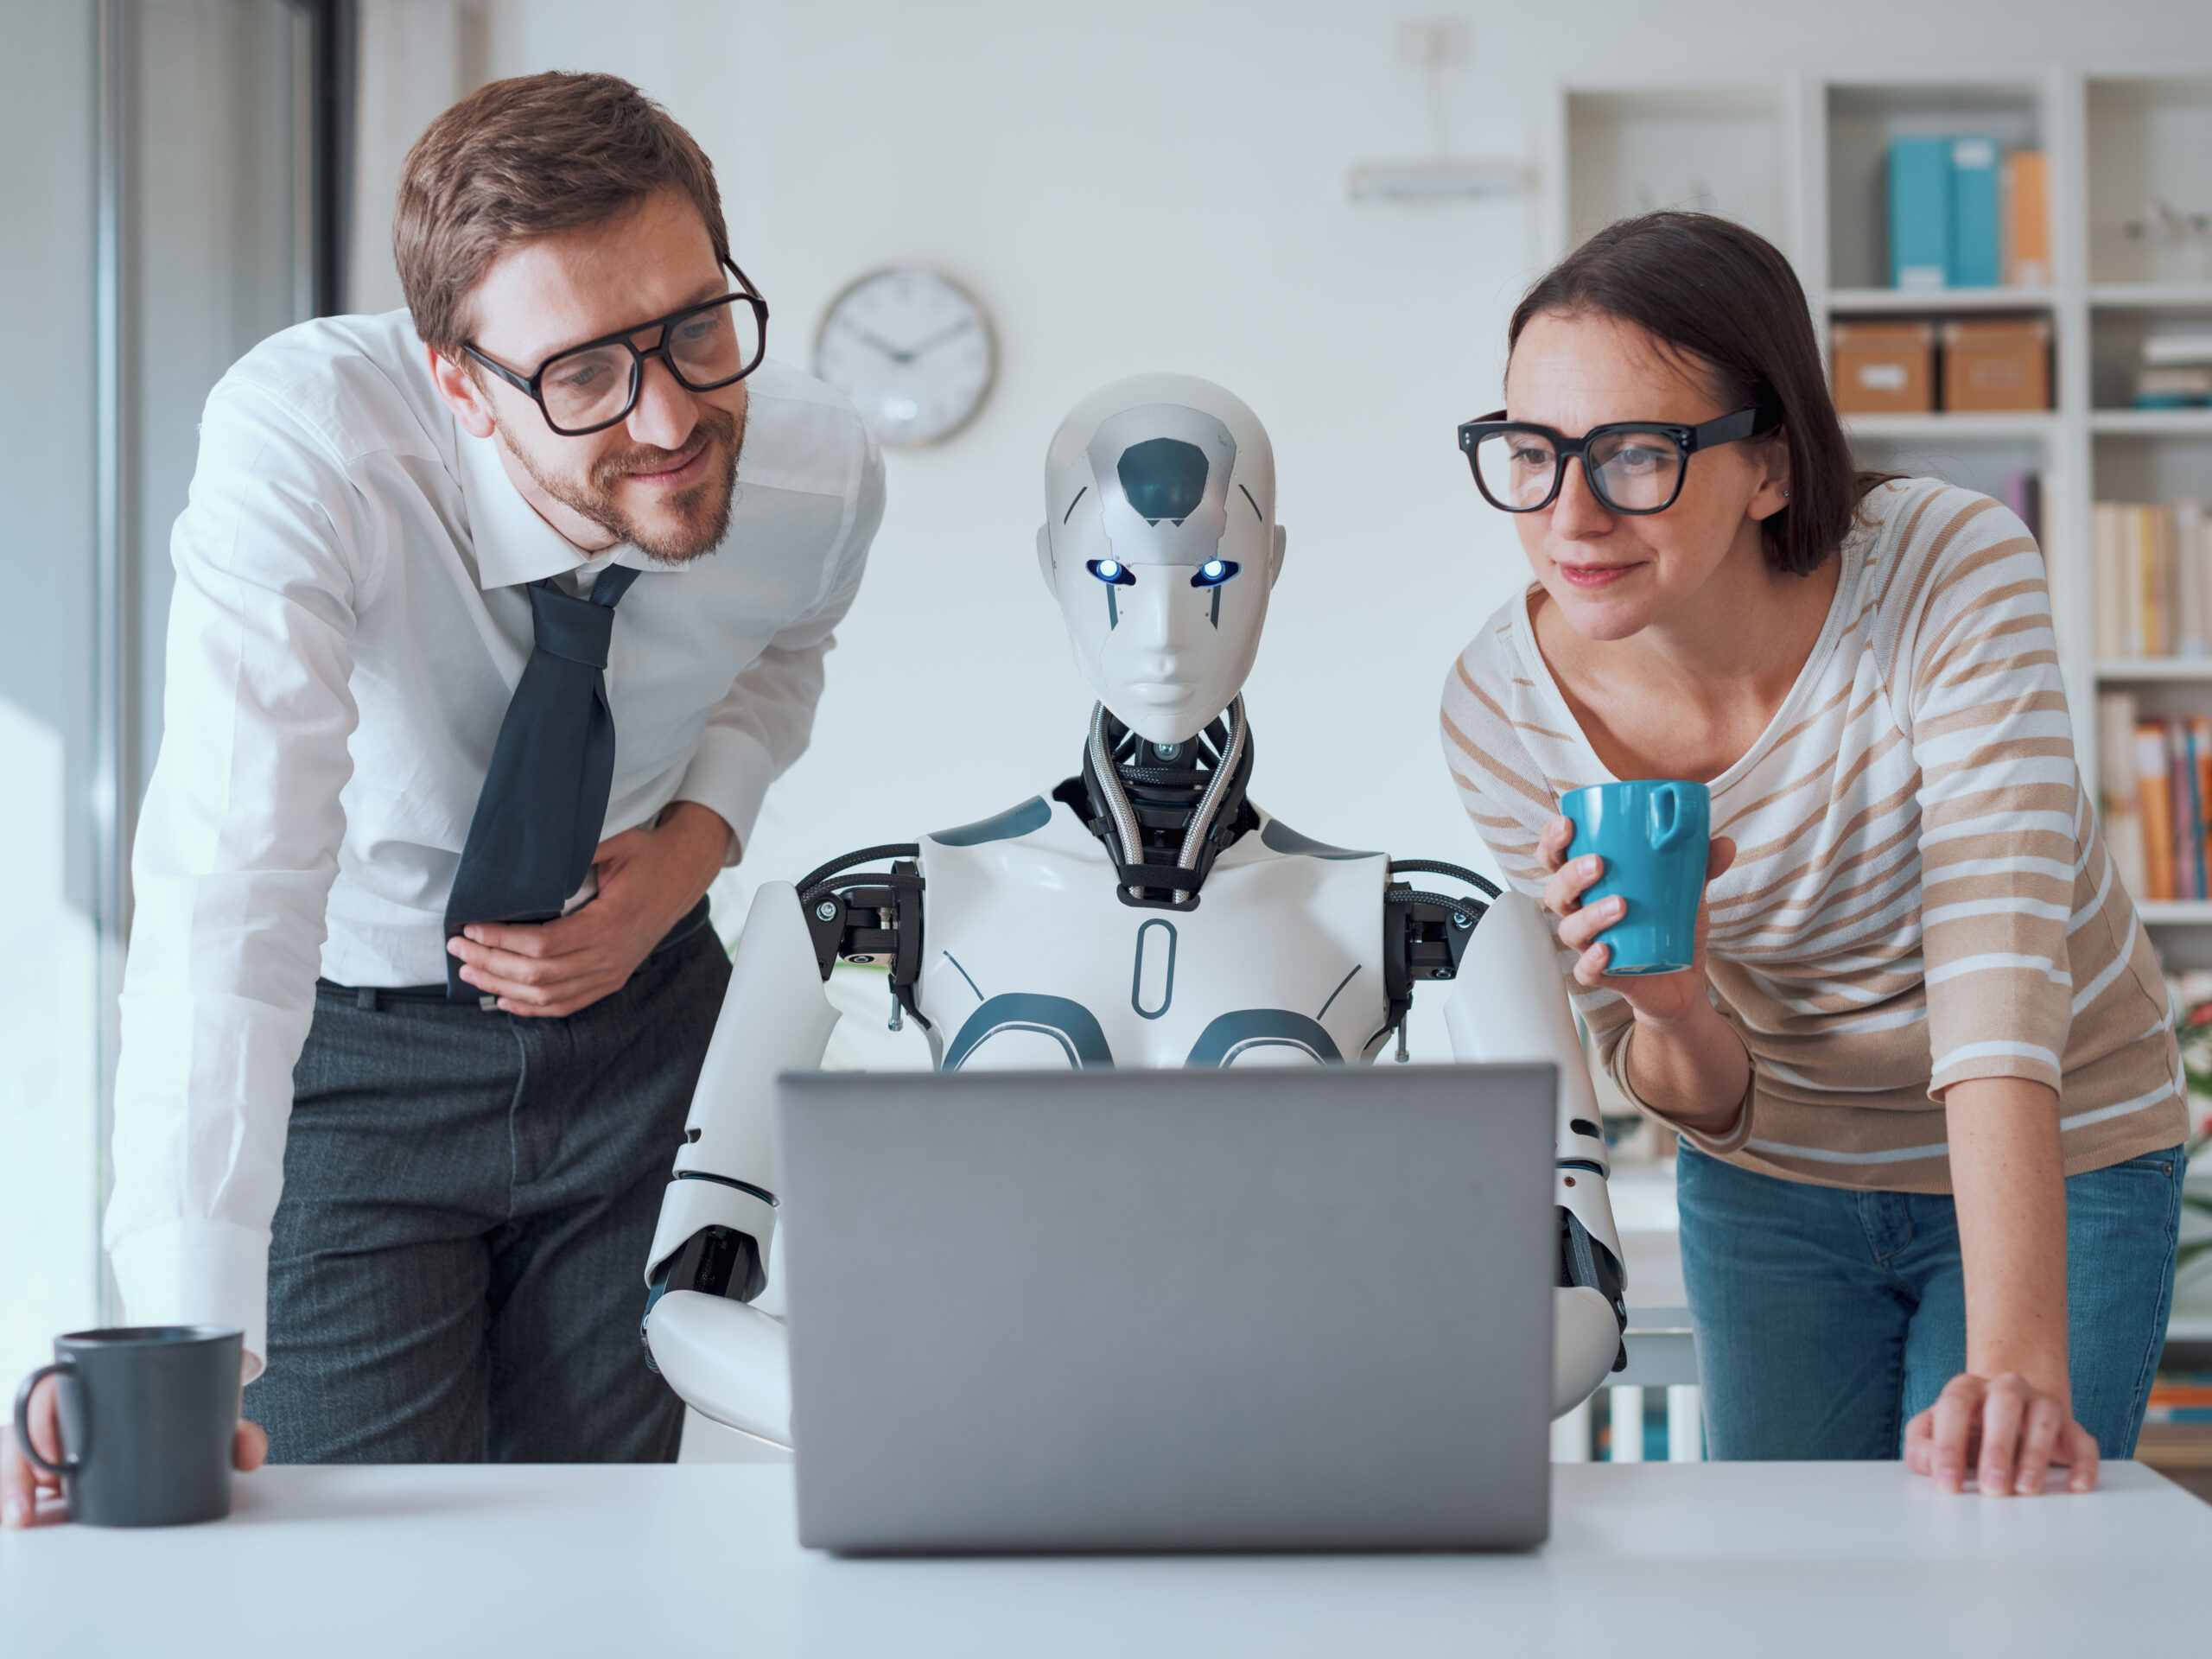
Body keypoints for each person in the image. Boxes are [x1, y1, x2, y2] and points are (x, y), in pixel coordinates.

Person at [4, 70, 880, 1522]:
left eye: (696, 325)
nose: (673, 415)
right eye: (584, 374)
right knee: (358, 1567)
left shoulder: (818, 471)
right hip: (354, 1056)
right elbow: (234, 877)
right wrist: (178, 1337)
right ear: (460, 384)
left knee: (592, 1552)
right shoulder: (311, 446)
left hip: (645, 1034)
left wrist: (692, 847)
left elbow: (785, 653)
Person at [1440, 211, 2187, 1497]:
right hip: (1774, 1180)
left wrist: (2014, 1360)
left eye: (1636, 454)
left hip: (2056, 1147)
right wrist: (1669, 1006)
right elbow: (1697, 1095)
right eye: (1531, 452)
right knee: (1787, 1566)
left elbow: (1997, 975)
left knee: (1997, 1539)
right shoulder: (1500, 712)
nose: (1572, 514)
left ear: (1771, 467)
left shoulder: (1946, 570)